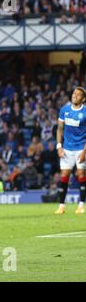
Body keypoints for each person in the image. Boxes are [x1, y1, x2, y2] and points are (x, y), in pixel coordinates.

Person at [54, 87, 86, 215]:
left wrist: (84, 152)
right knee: (64, 175)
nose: (75, 96)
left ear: (83, 99)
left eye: (78, 95)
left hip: (80, 148)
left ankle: (81, 205)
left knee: (81, 175)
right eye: (74, 93)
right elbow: (59, 129)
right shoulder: (64, 110)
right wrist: (59, 146)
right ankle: (61, 206)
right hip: (67, 148)